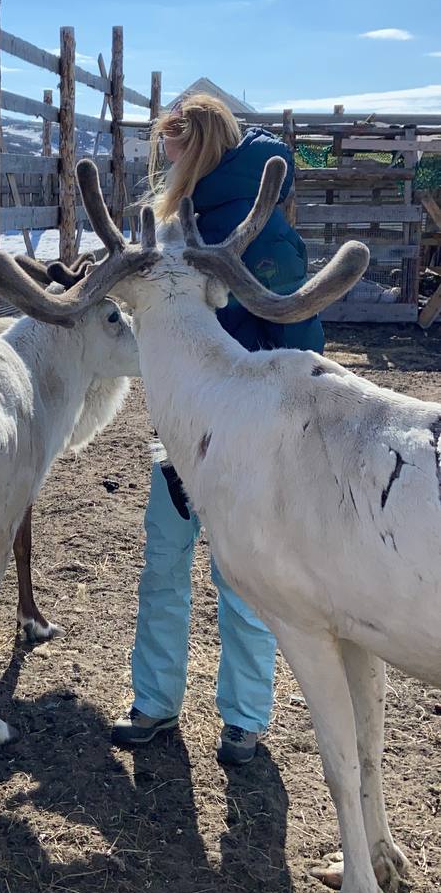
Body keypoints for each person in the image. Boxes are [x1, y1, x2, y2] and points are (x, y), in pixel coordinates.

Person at [111, 94, 324, 765]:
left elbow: (292, 337)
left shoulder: (226, 228)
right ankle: (238, 717)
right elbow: (300, 340)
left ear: (185, 145)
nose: (163, 156)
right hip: (199, 432)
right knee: (232, 576)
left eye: (168, 145)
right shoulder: (182, 224)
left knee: (192, 569)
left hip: (222, 437)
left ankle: (167, 705)